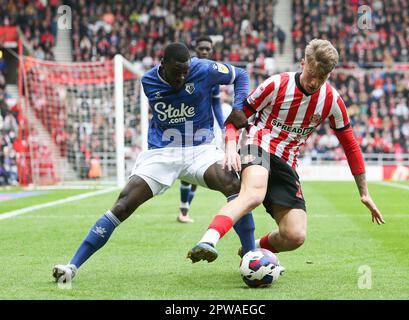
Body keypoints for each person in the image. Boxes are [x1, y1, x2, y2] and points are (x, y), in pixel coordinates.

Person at [52, 42, 256, 284]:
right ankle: (72, 267)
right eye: (177, 71)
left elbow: (241, 76)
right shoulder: (148, 82)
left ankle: (250, 255)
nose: (182, 76)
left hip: (200, 149)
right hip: (162, 152)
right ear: (163, 65)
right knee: (123, 205)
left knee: (232, 184)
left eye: (185, 71)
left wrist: (238, 106)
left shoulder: (204, 68)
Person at [187, 39, 385, 264]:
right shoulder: (276, 84)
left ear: (329, 75)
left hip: (287, 161)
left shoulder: (332, 101)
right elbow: (237, 116)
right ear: (303, 63)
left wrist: (364, 192)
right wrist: (231, 144)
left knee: (295, 236)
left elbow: (350, 145)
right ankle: (208, 240)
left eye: (321, 77)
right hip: (258, 144)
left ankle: (253, 249)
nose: (313, 82)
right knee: (253, 194)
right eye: (311, 73)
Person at [177, 35, 226, 223]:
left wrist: (222, 127)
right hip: (185, 128)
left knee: (199, 169)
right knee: (187, 169)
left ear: (212, 51)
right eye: (201, 48)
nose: (204, 52)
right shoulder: (185, 71)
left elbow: (216, 104)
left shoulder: (213, 74)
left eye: (208, 49)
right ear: (195, 50)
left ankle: (184, 209)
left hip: (205, 129)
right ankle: (183, 210)